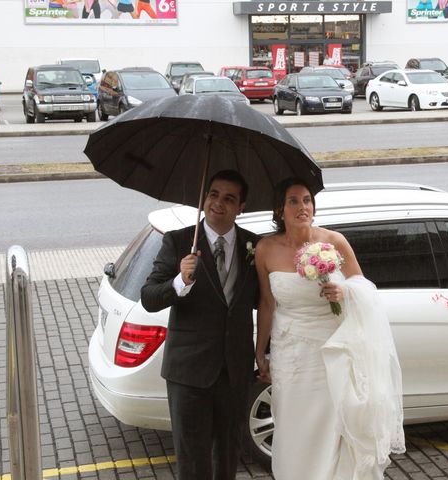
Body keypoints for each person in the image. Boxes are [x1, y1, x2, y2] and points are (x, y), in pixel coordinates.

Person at [255, 178, 405, 480]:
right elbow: (268, 304)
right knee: (294, 425)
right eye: (293, 201)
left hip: (331, 350)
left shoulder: (333, 241)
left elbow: (365, 288)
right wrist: (261, 351)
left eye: (307, 200)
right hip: (290, 356)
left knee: (334, 423)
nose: (302, 207)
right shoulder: (265, 249)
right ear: (279, 209)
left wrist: (343, 292)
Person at [141, 170, 260, 480]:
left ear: (241, 206)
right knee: (193, 463)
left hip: (235, 371)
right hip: (189, 372)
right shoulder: (179, 241)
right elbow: (149, 298)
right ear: (204, 197)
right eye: (213, 194)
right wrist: (180, 280)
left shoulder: (254, 247)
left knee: (229, 457)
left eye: (229, 198)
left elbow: (269, 302)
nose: (218, 203)